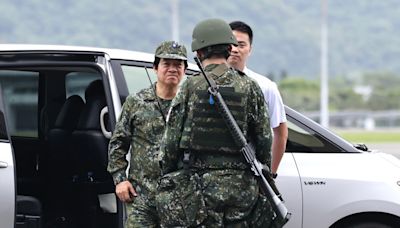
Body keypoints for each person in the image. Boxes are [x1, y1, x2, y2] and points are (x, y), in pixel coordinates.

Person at [157, 18, 274, 227]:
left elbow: (170, 142)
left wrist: (169, 174)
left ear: (199, 53)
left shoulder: (189, 87)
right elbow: (265, 140)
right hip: (241, 187)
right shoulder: (250, 87)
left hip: (199, 187)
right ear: (230, 48)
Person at [107, 40, 188, 227]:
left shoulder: (189, 104)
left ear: (184, 70)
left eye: (178, 65)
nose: (173, 69)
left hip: (179, 199)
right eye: (167, 64)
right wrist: (120, 179)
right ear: (155, 68)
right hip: (141, 196)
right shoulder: (137, 102)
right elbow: (118, 143)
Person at [228, 21, 288, 175]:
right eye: (231, 44)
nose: (235, 50)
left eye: (241, 45)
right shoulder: (204, 83)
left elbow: (280, 133)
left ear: (250, 49)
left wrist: (270, 174)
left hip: (250, 175)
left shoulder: (265, 87)